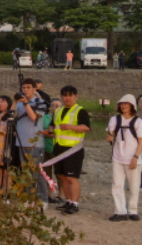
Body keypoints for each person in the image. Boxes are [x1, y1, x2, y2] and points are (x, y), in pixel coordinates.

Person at [48, 85, 91, 215]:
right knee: (62, 176)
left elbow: (86, 128)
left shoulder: (80, 111)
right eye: (65, 95)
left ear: (75, 96)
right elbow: (53, 126)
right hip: (59, 147)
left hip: (73, 149)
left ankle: (75, 203)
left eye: (70, 95)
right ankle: (68, 201)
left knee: (72, 177)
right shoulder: (58, 111)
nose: (67, 98)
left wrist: (71, 127)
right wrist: (48, 131)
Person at [106, 95, 142, 221]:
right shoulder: (114, 120)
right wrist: (109, 138)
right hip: (118, 157)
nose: (124, 106)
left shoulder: (138, 122)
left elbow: (141, 141)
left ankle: (133, 210)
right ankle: (120, 211)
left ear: (132, 106)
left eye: (127, 104)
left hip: (133, 158)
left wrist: (135, 157)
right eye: (122, 104)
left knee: (134, 186)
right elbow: (110, 134)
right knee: (117, 185)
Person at [13, 78, 49, 203]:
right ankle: (29, 198)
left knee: (37, 173)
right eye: (24, 88)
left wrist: (26, 103)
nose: (26, 90)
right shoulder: (19, 103)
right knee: (25, 172)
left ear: (34, 89)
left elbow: (34, 117)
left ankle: (43, 199)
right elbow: (12, 116)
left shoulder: (41, 102)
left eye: (28, 87)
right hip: (21, 142)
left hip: (35, 143)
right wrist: (15, 101)